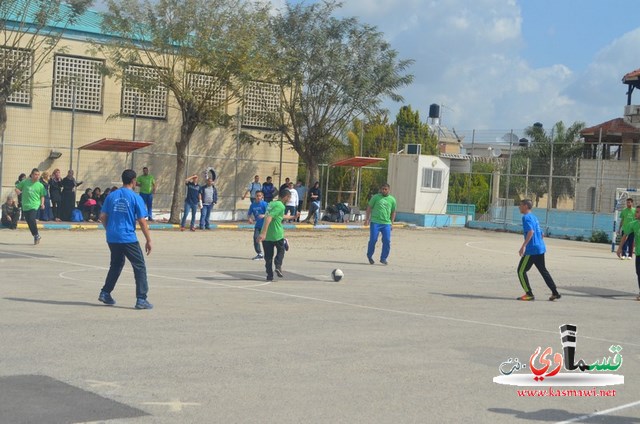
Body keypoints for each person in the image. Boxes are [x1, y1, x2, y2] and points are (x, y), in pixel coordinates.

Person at [98, 169, 153, 309]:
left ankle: (105, 293)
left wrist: (109, 229)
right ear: (134, 181)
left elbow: (102, 216)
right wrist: (148, 239)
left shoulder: (112, 196)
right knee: (139, 266)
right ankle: (141, 299)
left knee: (116, 264)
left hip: (112, 237)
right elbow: (141, 220)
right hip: (127, 237)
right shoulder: (135, 197)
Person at [516, 199, 561, 301]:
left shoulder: (526, 217)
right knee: (543, 271)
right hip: (540, 248)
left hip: (532, 250)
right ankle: (555, 292)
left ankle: (529, 294)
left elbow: (531, 232)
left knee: (521, 271)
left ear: (526, 206)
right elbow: (541, 234)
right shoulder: (534, 217)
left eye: (521, 205)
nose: (519, 207)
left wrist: (523, 246)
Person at [258, 187, 295, 281]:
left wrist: (292, 217)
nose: (289, 200)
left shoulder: (271, 203)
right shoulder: (281, 206)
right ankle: (278, 266)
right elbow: (269, 217)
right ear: (286, 197)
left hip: (267, 237)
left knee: (268, 257)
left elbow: (279, 215)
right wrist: (263, 233)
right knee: (281, 251)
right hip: (276, 234)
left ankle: (269, 275)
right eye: (289, 198)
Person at [364, 183, 396, 265]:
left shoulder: (392, 199)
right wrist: (367, 219)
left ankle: (383, 258)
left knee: (387, 240)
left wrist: (392, 223)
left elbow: (393, 212)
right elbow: (369, 207)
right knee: (373, 239)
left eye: (386, 189)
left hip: (386, 223)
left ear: (389, 190)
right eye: (382, 189)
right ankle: (369, 256)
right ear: (380, 190)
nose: (384, 191)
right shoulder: (375, 197)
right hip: (375, 222)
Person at [15, 168, 46, 244]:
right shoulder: (25, 182)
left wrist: (42, 203)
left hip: (35, 205)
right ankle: (36, 235)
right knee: (29, 222)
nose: (37, 176)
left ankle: (36, 235)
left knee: (32, 219)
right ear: (31, 175)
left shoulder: (40, 185)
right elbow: (17, 188)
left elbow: (42, 196)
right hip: (25, 205)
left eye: (38, 175)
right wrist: (18, 192)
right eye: (35, 174)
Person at [616, 207, 640, 301]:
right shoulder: (633, 224)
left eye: (637, 212)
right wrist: (619, 248)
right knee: (639, 273)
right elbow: (625, 235)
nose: (635, 214)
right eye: (636, 212)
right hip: (638, 253)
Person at [248, 191, 268, 260]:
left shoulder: (265, 204)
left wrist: (264, 215)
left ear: (262, 197)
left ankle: (268, 254)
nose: (258, 197)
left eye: (260, 196)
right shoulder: (252, 205)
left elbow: (270, 213)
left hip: (265, 225)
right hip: (258, 225)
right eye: (257, 196)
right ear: (255, 196)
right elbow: (249, 213)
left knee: (266, 240)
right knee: (256, 238)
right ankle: (259, 253)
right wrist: (250, 218)